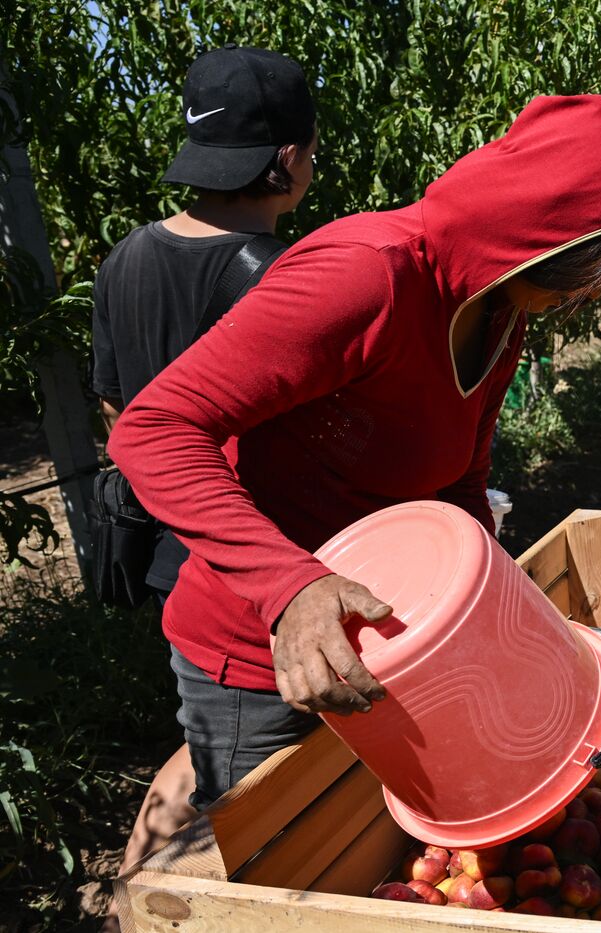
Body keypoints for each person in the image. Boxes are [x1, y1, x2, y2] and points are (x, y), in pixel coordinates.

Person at [108, 95, 601, 813]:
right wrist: (289, 589)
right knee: (275, 864)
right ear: (546, 239)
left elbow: (460, 478)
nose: (594, 291)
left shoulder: (498, 305)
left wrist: (500, 613)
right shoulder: (369, 275)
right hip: (269, 655)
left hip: (386, 648)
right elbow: (154, 427)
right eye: (595, 268)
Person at [89, 44, 318, 901]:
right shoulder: (270, 276)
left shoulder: (125, 257)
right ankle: (162, 908)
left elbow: (121, 414)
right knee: (247, 785)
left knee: (198, 732)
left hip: (166, 549)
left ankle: (127, 900)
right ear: (288, 158)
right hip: (246, 558)